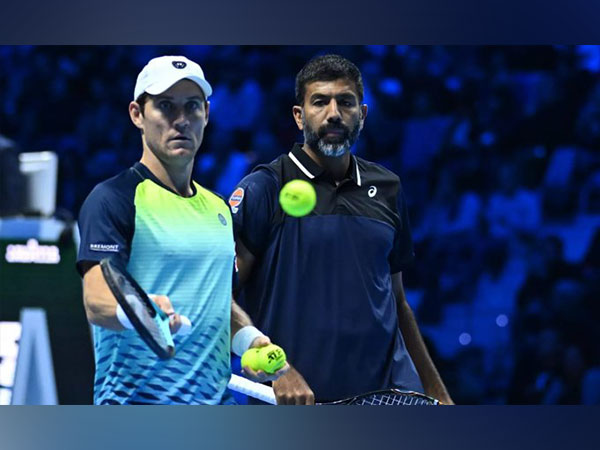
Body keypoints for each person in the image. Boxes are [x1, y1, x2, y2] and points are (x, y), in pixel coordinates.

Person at [230, 54, 453, 404]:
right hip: (294, 406)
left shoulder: (388, 187)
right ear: (299, 116)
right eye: (320, 102)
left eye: (345, 102)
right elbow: (220, 297)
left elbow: (397, 301)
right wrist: (276, 367)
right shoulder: (264, 188)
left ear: (362, 116)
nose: (334, 113)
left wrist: (438, 394)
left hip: (385, 400)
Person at [77, 55, 285, 405]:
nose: (181, 120)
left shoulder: (219, 209)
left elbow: (218, 303)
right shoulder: (112, 199)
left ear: (207, 113)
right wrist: (142, 310)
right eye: (165, 107)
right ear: (136, 115)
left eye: (192, 107)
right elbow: (97, 300)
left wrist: (249, 339)